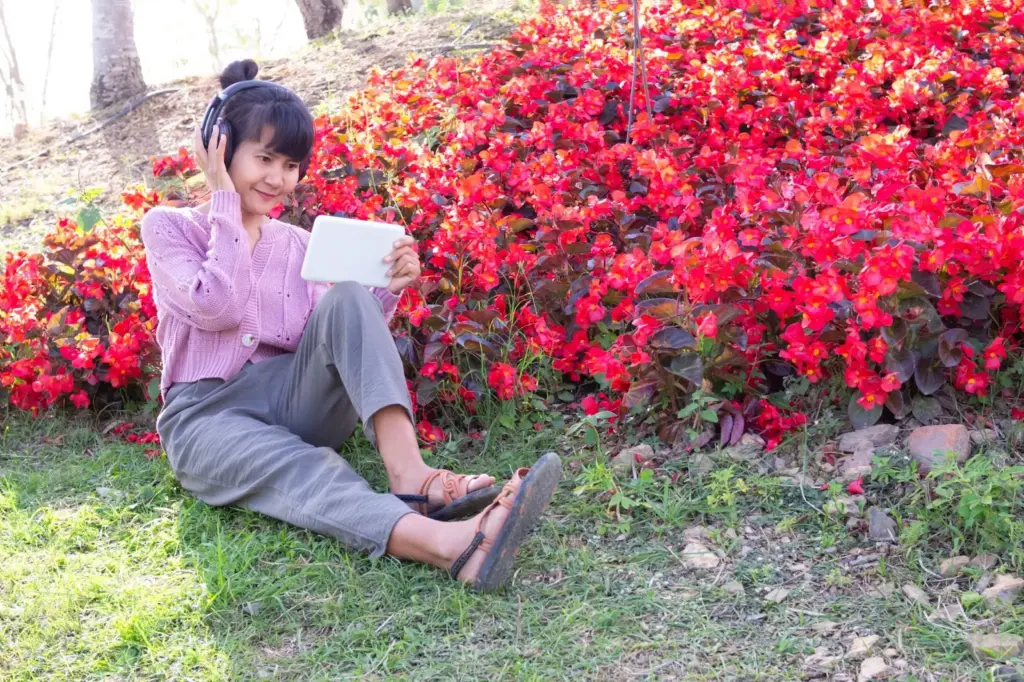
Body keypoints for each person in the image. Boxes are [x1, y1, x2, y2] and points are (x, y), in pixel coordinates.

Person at [143, 59, 560, 592]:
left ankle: (411, 475)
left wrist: (390, 286)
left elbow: (342, 335)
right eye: (263, 158)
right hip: (207, 420)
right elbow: (218, 308)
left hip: (295, 401)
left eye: (290, 164)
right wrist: (224, 199)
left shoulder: (296, 244)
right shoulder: (171, 228)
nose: (278, 178)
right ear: (219, 152)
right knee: (304, 471)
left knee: (347, 296)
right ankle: (453, 546)